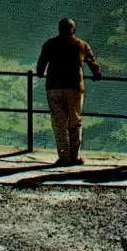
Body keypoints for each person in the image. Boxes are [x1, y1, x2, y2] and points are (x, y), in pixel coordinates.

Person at [36, 16, 102, 166]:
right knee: (75, 122)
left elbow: (40, 69)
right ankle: (75, 157)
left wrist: (42, 72)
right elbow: (95, 66)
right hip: (75, 88)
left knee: (59, 124)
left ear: (59, 29)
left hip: (54, 87)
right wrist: (96, 74)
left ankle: (64, 157)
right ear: (74, 29)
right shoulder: (82, 45)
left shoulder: (50, 44)